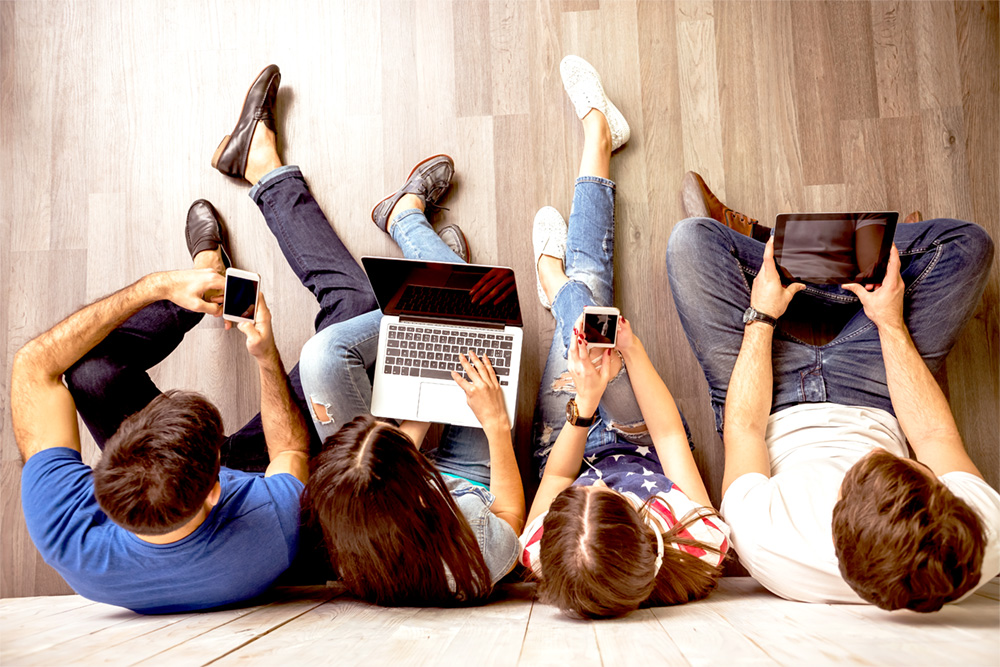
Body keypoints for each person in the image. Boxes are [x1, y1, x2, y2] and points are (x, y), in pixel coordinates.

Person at [12, 63, 376, 613]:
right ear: (216, 486)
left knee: (88, 373)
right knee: (354, 315)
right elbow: (291, 450)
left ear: (102, 474)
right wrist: (264, 354)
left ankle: (205, 272)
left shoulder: (67, 535)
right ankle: (262, 166)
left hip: (180, 489)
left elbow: (33, 367)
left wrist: (159, 287)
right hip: (264, 472)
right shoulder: (268, 525)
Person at [667, 175, 999, 611]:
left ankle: (789, 253)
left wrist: (763, 314)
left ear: (836, 522)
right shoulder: (975, 537)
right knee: (967, 244)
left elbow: (744, 429)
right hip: (878, 393)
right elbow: (934, 437)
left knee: (691, 242)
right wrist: (890, 323)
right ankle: (872, 268)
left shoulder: (769, 544)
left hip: (769, 403)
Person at [518, 56, 729, 621]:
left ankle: (558, 284)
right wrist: (631, 352)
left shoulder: (544, 552)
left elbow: (562, 474)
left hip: (568, 439)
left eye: (578, 505)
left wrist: (584, 412)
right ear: (642, 527)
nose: (597, 484)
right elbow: (668, 438)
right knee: (594, 321)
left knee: (584, 318)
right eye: (608, 499)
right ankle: (596, 137)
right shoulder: (699, 542)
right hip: (640, 436)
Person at [296, 154, 525, 607]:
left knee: (321, 357)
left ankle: (436, 282)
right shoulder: (472, 553)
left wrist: (417, 414)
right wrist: (496, 425)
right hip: (469, 485)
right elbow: (510, 517)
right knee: (487, 323)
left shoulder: (339, 522)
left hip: (385, 479)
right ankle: (417, 240)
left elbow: (378, 463)